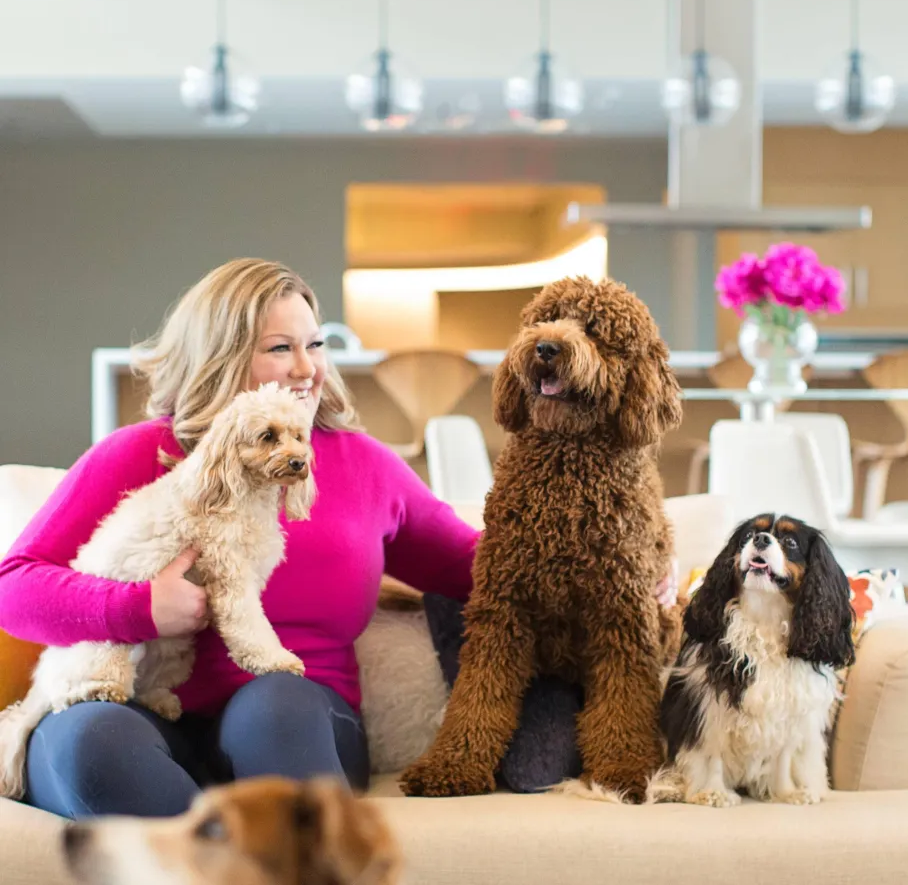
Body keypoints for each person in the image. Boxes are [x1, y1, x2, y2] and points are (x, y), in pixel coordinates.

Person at [0, 259, 678, 819]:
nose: (307, 369)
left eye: (315, 344)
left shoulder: (363, 467)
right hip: (140, 708)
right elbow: (14, 586)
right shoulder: (137, 455)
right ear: (219, 355)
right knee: (92, 742)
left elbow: (496, 570)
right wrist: (138, 609)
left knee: (279, 708)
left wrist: (641, 570)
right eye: (279, 348)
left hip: (298, 720)